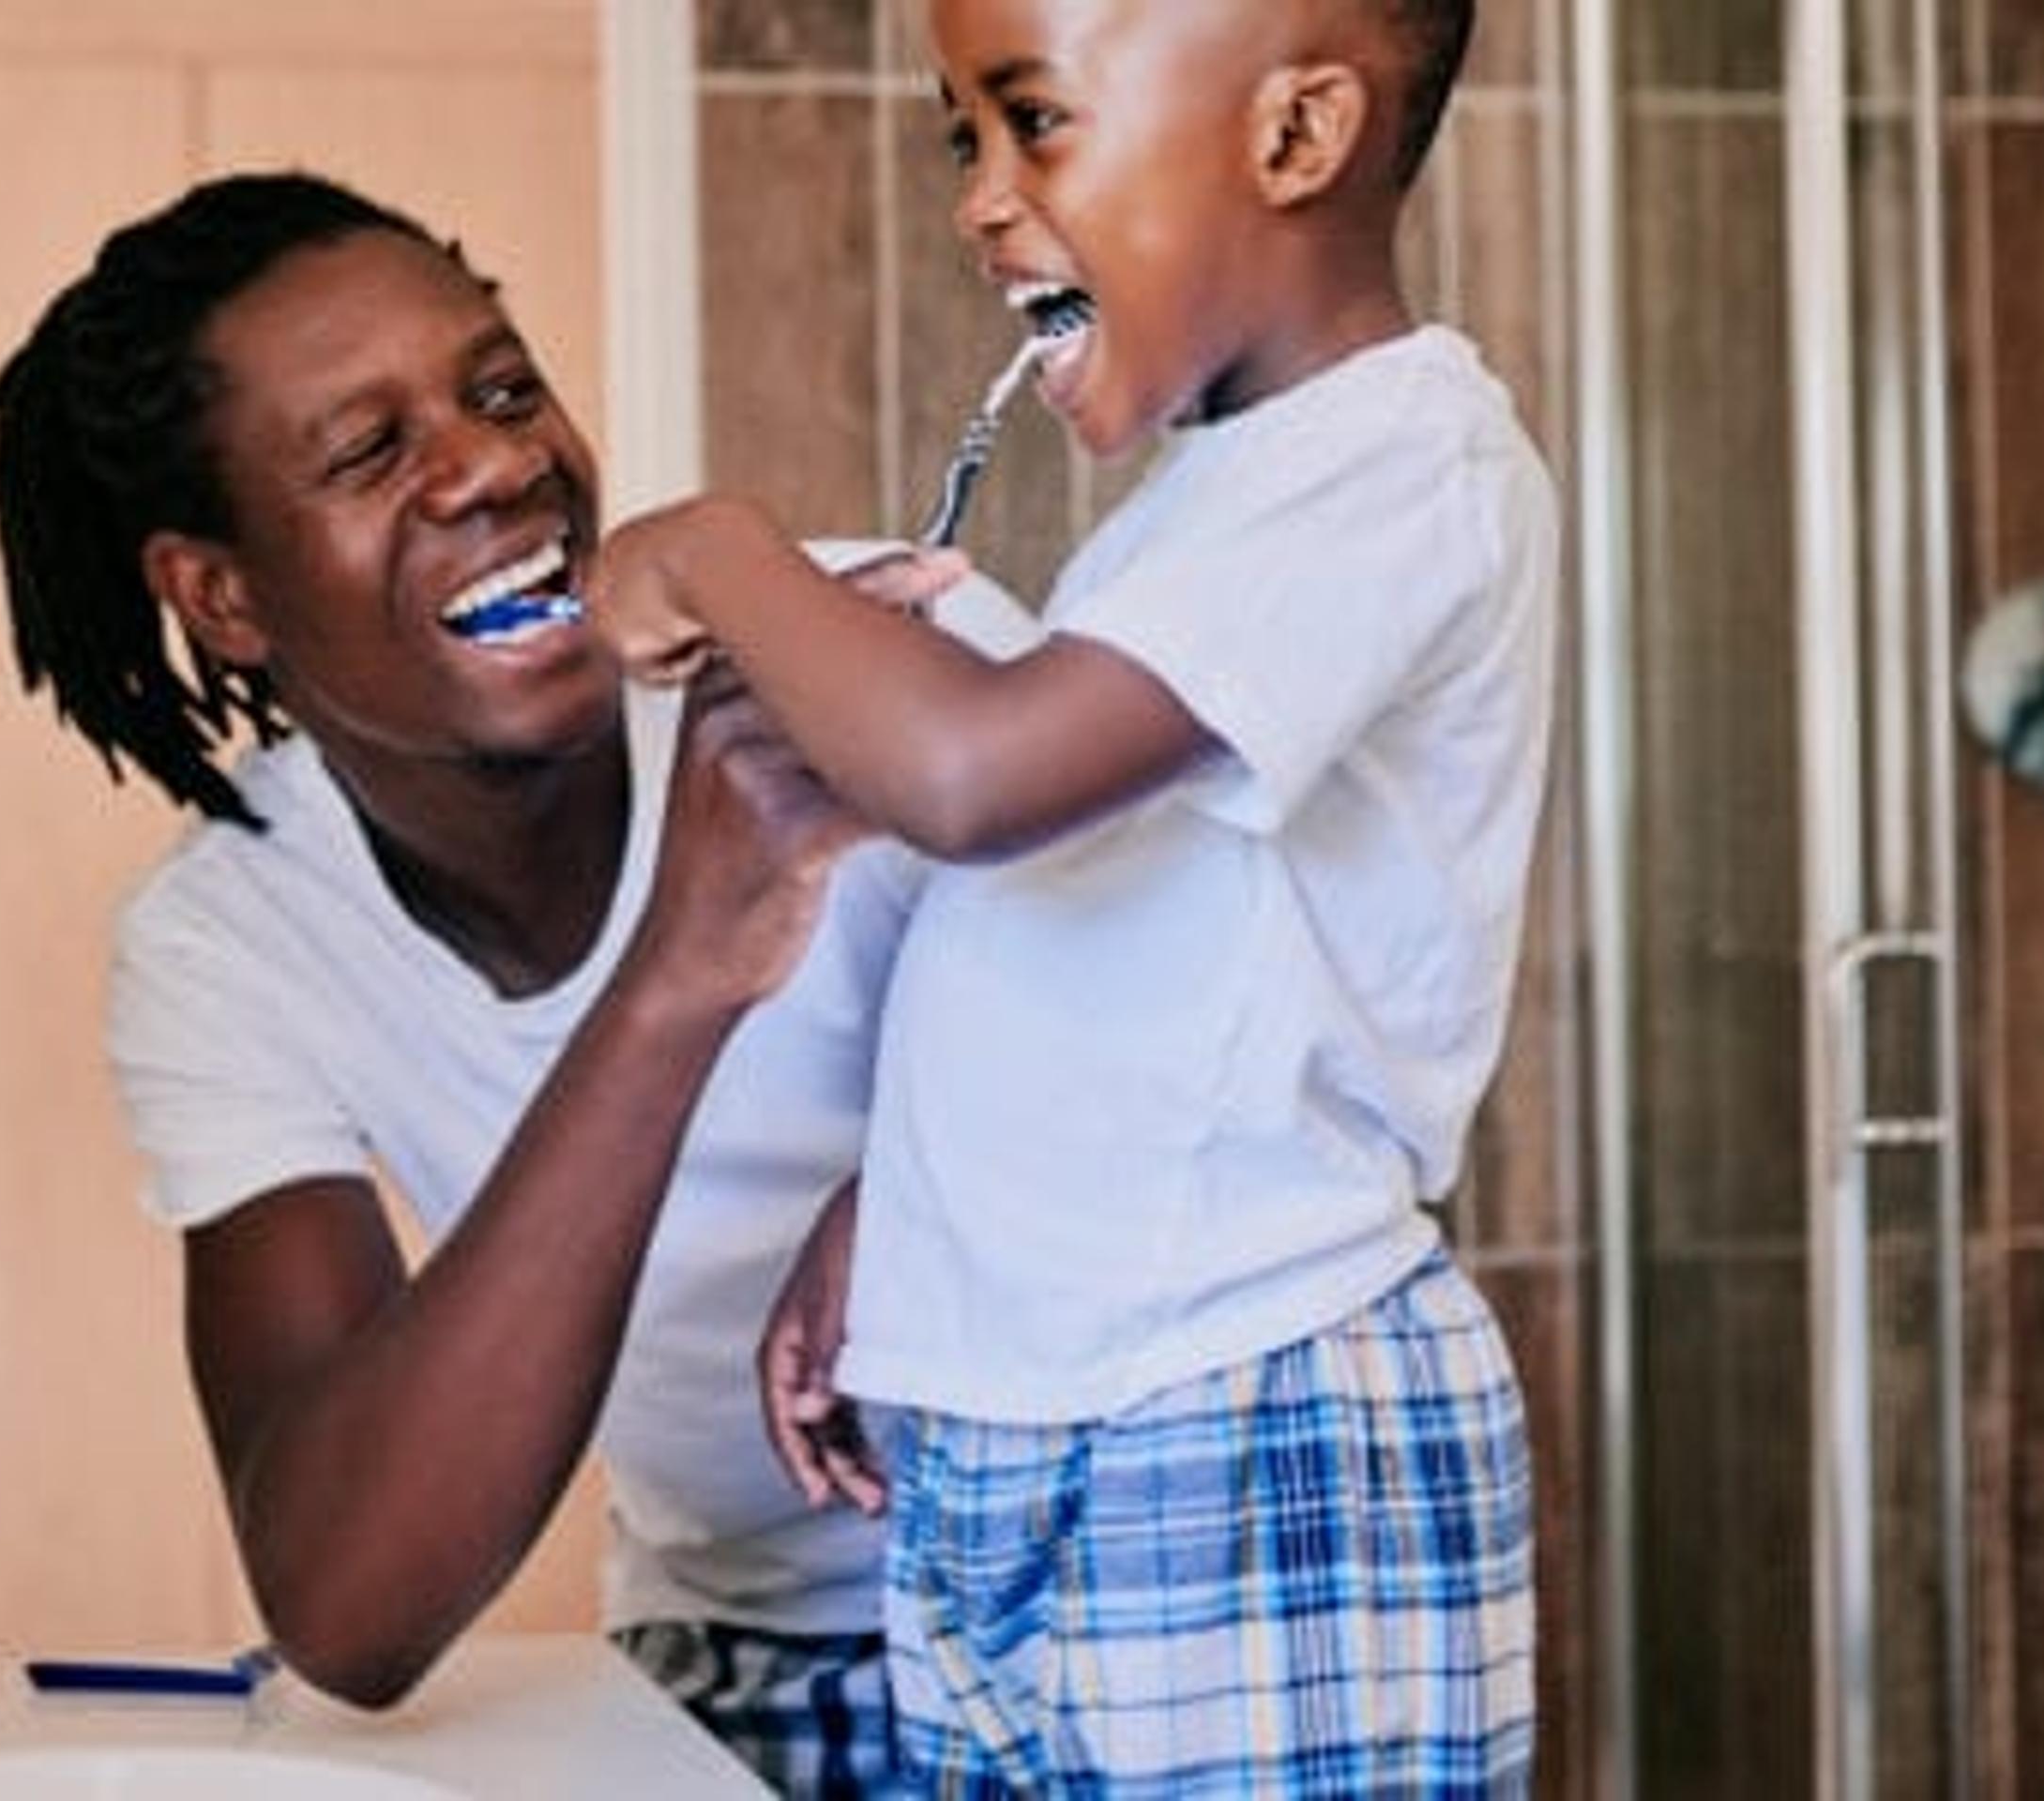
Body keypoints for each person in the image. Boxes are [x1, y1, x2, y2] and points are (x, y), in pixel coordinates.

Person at [583, 0, 1553, 1790]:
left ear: (1294, 136)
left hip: (1240, 1419)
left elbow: (979, 786)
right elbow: (1138, 941)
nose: (981, 198)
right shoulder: (1213, 504)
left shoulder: (1405, 459)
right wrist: (909, 1211)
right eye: (967, 138)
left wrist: (720, 548)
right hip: (1034, 1427)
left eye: (1033, 121)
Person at [0, 170, 1002, 1794]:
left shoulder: (849, 646)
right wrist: (680, 967)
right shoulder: (234, 943)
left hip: (1100, 1583)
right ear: (220, 597)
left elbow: (1201, 1049)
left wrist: (906, 1192)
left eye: (502, 389)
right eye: (369, 452)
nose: (497, 464)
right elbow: (351, 1607)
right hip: (749, 1651)